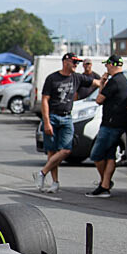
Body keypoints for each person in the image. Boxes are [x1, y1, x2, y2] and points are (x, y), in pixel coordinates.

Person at [33, 52, 102, 193]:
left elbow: (97, 83)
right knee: (52, 152)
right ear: (65, 62)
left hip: (67, 117)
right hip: (53, 116)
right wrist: (46, 122)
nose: (76, 65)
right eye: (74, 62)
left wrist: (108, 79)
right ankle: (55, 182)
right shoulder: (53, 78)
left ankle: (42, 173)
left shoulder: (76, 78)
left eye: (78, 62)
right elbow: (45, 100)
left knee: (66, 150)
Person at [86, 55, 127, 197]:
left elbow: (99, 100)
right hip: (119, 123)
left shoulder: (114, 82)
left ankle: (104, 184)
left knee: (96, 154)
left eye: (107, 65)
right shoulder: (124, 81)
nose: (106, 68)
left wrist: (102, 83)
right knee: (110, 155)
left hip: (110, 124)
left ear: (112, 65)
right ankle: (105, 185)